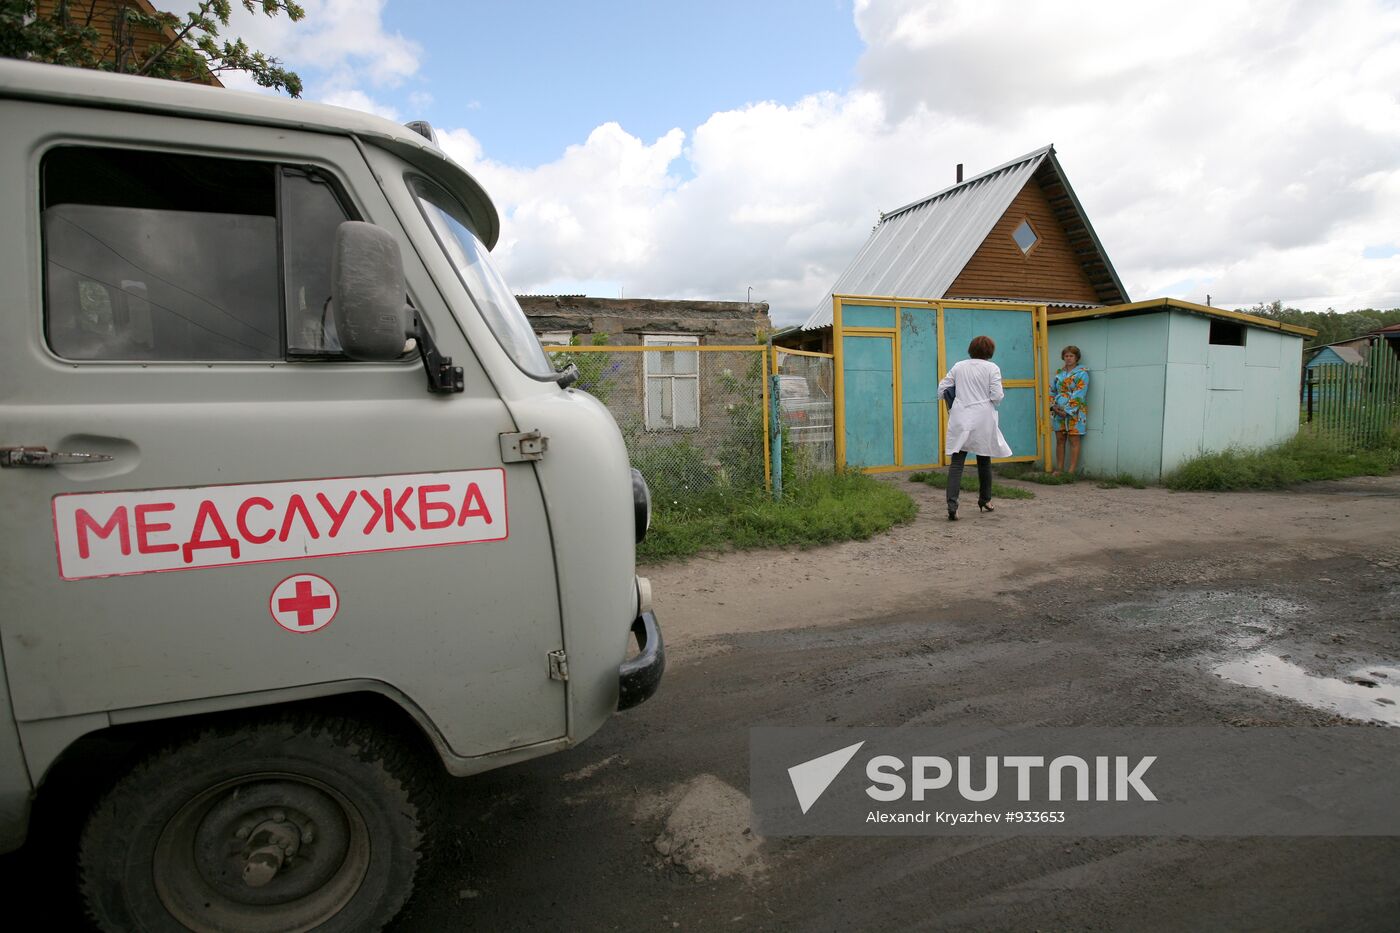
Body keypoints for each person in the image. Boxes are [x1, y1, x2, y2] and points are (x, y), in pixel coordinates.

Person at [937, 335, 1013, 521]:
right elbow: (997, 396)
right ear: (990, 351)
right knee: (984, 459)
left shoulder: (959, 366)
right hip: (983, 417)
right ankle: (985, 499)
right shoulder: (992, 368)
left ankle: (952, 505)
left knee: (957, 462)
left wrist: (956, 399)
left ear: (971, 349)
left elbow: (942, 389)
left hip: (961, 416)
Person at [1049, 345, 1089, 475]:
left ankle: (1071, 471)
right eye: (1066, 356)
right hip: (1058, 410)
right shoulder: (1059, 374)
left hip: (1075, 411)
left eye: (1071, 356)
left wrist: (1067, 410)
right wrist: (1053, 406)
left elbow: (1080, 393)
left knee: (1074, 440)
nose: (1068, 358)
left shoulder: (1082, 373)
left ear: (1077, 358)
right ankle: (1059, 469)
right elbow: (1052, 390)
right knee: (1060, 439)